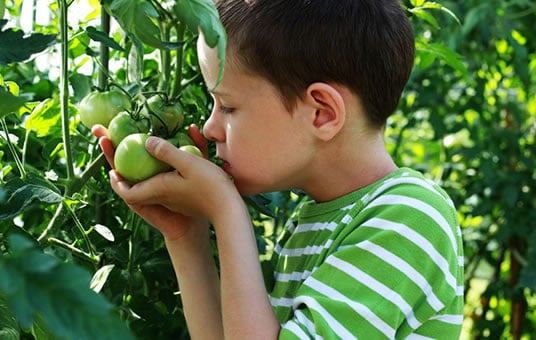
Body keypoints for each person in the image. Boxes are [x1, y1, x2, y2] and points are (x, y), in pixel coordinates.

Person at [93, 0, 464, 338]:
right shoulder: (315, 222)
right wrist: (186, 236)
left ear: (322, 112)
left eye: (228, 107)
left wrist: (226, 211)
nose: (208, 128)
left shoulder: (408, 219)